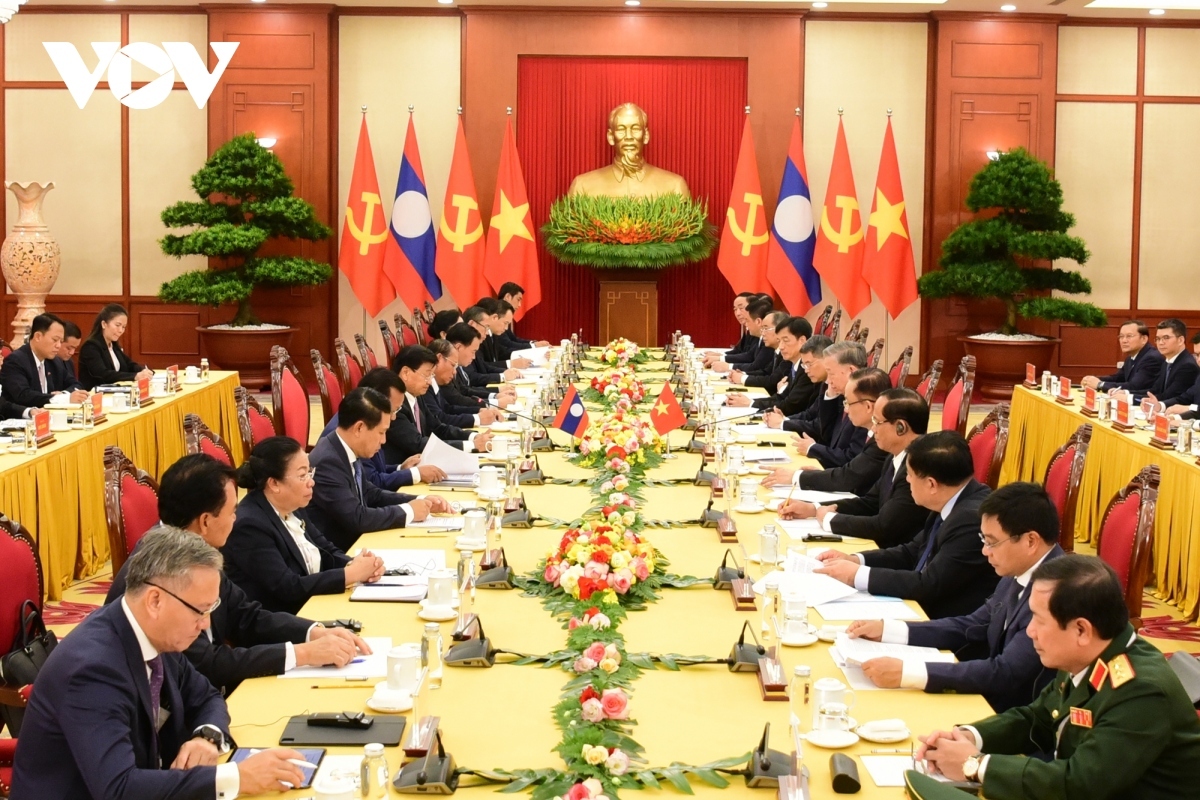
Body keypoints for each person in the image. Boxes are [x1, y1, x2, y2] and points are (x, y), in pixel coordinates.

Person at [12, 527, 308, 799]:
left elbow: (206, 695)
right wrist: (235, 778)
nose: (205, 624)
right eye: (199, 611)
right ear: (155, 600)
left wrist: (206, 737)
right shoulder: (91, 670)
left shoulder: (154, 631)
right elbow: (118, 788)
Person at [907, 556, 1200, 800]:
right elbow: (1038, 718)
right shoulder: (1089, 653)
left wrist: (976, 766)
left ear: (1081, 630)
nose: (1030, 631)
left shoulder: (1140, 691)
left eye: (1039, 619)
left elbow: (1080, 784)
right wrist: (970, 737)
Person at [105, 454, 371, 693]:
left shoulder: (197, 549)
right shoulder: (163, 573)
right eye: (232, 511)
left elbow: (246, 616)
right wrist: (301, 654)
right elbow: (207, 664)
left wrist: (313, 632)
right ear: (206, 521)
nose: (237, 518)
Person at [849, 481, 1065, 711]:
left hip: (1018, 716)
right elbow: (972, 624)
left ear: (1030, 541)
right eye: (984, 541)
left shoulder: (1056, 591)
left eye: (992, 543)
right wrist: (888, 630)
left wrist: (910, 673)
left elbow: (1006, 672)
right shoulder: (1021, 568)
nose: (985, 551)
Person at [815, 431, 997, 620]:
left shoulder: (971, 520)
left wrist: (857, 575)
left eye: (909, 474)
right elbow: (912, 552)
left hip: (943, 622)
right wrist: (856, 560)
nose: (907, 480)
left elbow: (929, 585)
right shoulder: (950, 497)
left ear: (931, 484)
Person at [221, 436, 385, 614]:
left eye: (310, 472)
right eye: (302, 475)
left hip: (315, 604)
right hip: (286, 619)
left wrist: (359, 565)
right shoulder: (249, 526)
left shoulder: (292, 505)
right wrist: (350, 574)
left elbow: (325, 549)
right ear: (274, 483)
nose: (311, 481)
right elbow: (288, 587)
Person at [781, 376, 927, 547]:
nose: (873, 429)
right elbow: (869, 503)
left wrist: (830, 519)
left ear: (900, 427)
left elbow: (883, 527)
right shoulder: (895, 456)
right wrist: (812, 509)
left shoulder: (918, 469)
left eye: (877, 422)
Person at [307, 386, 452, 549]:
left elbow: (370, 493)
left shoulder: (345, 447)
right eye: (381, 432)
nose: (383, 441)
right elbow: (357, 518)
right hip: (342, 553)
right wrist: (408, 512)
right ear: (359, 428)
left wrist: (419, 500)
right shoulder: (328, 461)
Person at [318, 368, 446, 491]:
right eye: (392, 410)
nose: (394, 417)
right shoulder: (351, 432)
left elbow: (373, 469)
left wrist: (401, 468)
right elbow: (372, 482)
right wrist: (415, 474)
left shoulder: (365, 420)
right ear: (373, 401)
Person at [384, 345, 493, 464]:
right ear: (406, 373)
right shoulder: (394, 406)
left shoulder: (416, 397)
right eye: (426, 375)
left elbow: (438, 428)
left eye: (432, 375)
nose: (430, 381)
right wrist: (471, 446)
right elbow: (418, 444)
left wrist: (473, 437)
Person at [788, 342, 870, 468]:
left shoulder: (865, 403)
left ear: (851, 371)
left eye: (831, 373)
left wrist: (813, 448)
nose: (828, 381)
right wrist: (830, 397)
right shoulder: (842, 393)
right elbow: (827, 436)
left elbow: (851, 458)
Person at [725, 316, 817, 416]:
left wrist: (751, 403)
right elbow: (780, 398)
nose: (781, 346)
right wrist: (749, 401)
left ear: (802, 340)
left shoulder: (807, 369)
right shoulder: (795, 364)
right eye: (779, 341)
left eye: (785, 341)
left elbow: (790, 406)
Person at [0, 313, 87, 407]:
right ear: (38, 336)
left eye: (61, 342)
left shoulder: (55, 361)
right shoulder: (16, 361)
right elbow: (23, 395)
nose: (58, 345)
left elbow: (76, 384)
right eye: (55, 340)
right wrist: (62, 399)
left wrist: (64, 394)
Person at [764, 335, 835, 435]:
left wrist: (783, 423)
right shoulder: (823, 383)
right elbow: (809, 414)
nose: (806, 370)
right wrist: (785, 419)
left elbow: (819, 426)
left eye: (809, 364)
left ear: (827, 360)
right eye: (804, 365)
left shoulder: (837, 388)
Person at [427, 339, 504, 425]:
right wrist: (477, 419)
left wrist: (479, 410)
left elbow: (448, 408)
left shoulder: (437, 380)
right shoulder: (425, 386)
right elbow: (441, 418)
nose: (454, 372)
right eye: (452, 365)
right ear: (439, 359)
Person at [78, 303, 154, 389]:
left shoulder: (113, 345)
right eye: (117, 325)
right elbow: (103, 374)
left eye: (123, 327)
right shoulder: (91, 347)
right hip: (96, 396)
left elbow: (129, 365)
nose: (121, 330)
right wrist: (135, 376)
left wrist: (144, 371)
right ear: (104, 324)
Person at [1081, 320, 1163, 395]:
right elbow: (1118, 378)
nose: (1124, 340)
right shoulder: (1131, 356)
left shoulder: (1152, 358)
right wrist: (1093, 380)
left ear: (1144, 339)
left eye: (1129, 336)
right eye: (1121, 336)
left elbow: (1134, 386)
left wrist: (1100, 384)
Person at [445, 322, 516, 406]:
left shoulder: (456, 366)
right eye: (473, 352)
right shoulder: (445, 369)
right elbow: (457, 400)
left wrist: (495, 395)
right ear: (459, 347)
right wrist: (494, 403)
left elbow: (465, 390)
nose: (474, 357)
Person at [1142, 318, 1200, 406]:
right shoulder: (1167, 362)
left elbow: (1169, 396)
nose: (1160, 343)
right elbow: (1155, 390)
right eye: (1158, 339)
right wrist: (1127, 394)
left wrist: (1130, 398)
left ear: (1180, 340)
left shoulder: (1188, 365)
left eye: (1166, 338)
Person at [711, 299, 774, 374]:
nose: (746, 325)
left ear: (758, 321)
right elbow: (750, 356)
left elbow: (756, 366)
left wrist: (729, 367)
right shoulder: (759, 337)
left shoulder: (769, 341)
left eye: (747, 320)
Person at [729, 310, 789, 387]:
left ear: (780, 329)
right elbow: (766, 372)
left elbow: (772, 380)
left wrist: (742, 378)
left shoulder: (787, 354)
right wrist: (743, 374)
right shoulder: (777, 351)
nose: (763, 333)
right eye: (762, 329)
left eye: (766, 329)